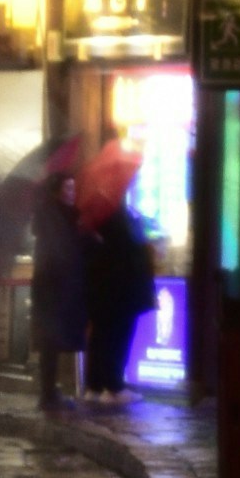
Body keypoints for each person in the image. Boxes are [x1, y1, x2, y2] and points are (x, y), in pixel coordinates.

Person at [78, 144, 156, 399]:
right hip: (119, 288)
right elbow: (127, 246)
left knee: (101, 334)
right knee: (117, 335)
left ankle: (96, 385)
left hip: (105, 287)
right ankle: (114, 386)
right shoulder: (115, 213)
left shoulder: (100, 213)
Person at [28, 141, 87, 413]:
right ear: (57, 191)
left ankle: (50, 392)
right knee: (50, 342)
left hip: (53, 288)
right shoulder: (53, 216)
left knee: (52, 341)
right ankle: (48, 393)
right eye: (68, 188)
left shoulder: (58, 215)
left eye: (74, 188)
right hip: (53, 288)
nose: (73, 193)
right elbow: (59, 251)